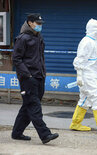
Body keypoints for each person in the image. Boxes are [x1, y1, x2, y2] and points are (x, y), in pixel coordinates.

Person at [12, 13, 59, 144]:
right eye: (38, 23)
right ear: (30, 23)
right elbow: (16, 59)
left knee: (28, 106)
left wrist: (43, 73)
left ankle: (16, 133)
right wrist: (28, 75)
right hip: (28, 78)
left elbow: (40, 57)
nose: (40, 26)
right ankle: (45, 134)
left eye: (41, 24)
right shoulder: (22, 38)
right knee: (34, 106)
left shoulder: (38, 37)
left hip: (39, 77)